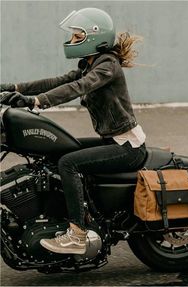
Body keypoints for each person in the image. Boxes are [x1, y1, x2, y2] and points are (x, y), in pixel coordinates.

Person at [0, 8, 146, 255]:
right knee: (60, 152)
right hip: (112, 140)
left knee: (68, 163)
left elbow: (78, 87)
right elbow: (56, 82)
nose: (72, 41)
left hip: (127, 147)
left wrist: (36, 102)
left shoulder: (107, 66)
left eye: (77, 36)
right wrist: (12, 88)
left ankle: (77, 235)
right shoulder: (90, 64)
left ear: (94, 37)